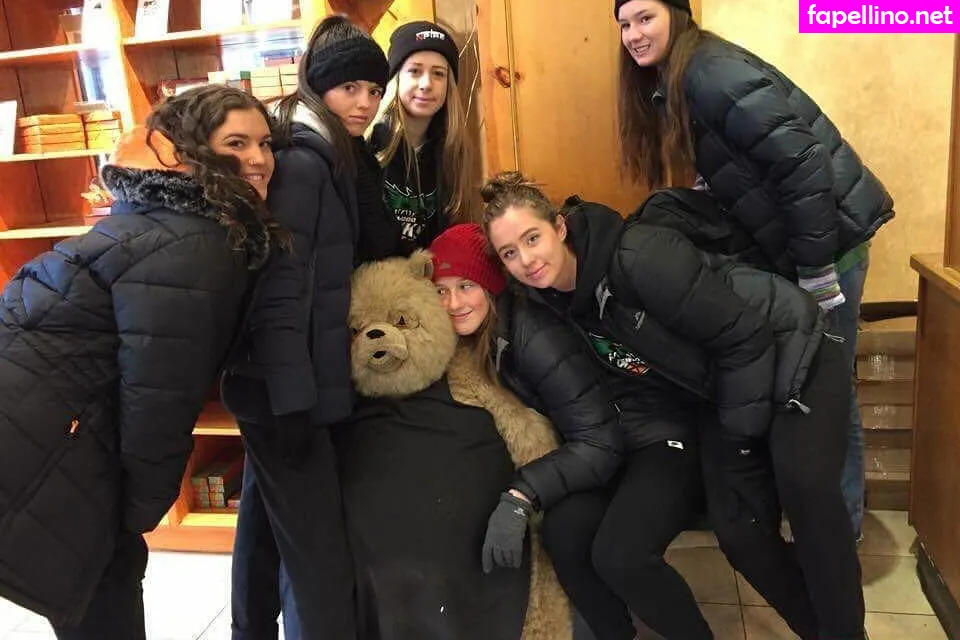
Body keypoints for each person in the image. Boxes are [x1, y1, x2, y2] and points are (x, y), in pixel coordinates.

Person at [482, 172, 866, 640]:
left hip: (796, 354)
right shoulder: (557, 305)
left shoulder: (638, 256)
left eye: (532, 238)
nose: (526, 260)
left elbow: (745, 337)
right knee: (741, 532)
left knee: (807, 494)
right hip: (723, 392)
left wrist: (741, 441)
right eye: (509, 253)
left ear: (559, 227)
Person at [0, 84, 282, 640]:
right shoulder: (196, 246)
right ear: (188, 152)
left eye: (265, 143)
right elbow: (158, 399)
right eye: (236, 143)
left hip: (40, 421)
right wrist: (139, 512)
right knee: (101, 582)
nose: (258, 158)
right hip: (33, 434)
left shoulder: (158, 219)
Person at [614, 0, 894, 539]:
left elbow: (804, 162)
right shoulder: (683, 73)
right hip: (811, 243)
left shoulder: (709, 72)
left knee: (829, 393)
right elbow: (749, 150)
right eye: (624, 24)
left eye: (645, 17)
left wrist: (816, 271)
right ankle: (829, 524)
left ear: (677, 14)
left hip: (831, 246)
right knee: (817, 386)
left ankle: (841, 534)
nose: (633, 34)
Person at [221, 15, 389, 640]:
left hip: (276, 383)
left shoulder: (325, 152)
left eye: (375, 90)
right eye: (351, 88)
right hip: (285, 389)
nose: (365, 102)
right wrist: (295, 403)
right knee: (320, 558)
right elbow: (280, 290)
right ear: (320, 86)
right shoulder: (300, 161)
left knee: (264, 525)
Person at [370, 21, 476, 254]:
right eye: (415, 71)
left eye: (438, 74)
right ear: (396, 77)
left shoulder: (454, 149)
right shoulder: (369, 145)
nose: (427, 84)